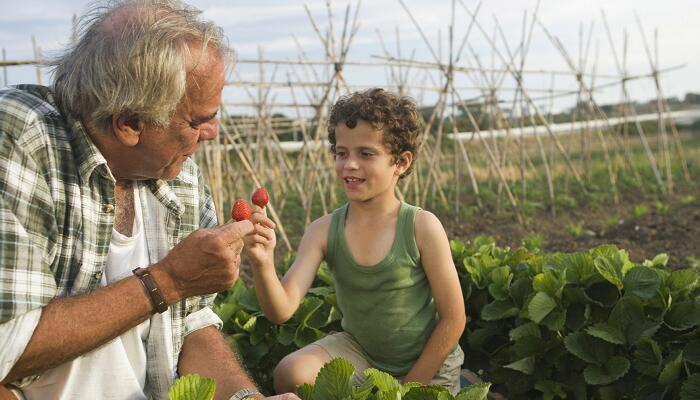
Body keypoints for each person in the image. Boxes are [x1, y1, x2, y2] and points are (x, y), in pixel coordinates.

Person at [0, 1, 299, 399]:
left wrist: (246, 398)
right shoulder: (24, 141)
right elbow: (8, 344)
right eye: (197, 121)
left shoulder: (178, 175)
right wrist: (167, 281)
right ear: (129, 123)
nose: (212, 132)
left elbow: (190, 323)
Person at [244, 88, 467, 395]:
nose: (349, 164)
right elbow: (281, 310)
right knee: (290, 372)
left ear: (401, 162)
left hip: (427, 361)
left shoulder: (421, 227)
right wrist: (262, 262)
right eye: (341, 153)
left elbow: (453, 320)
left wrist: (408, 388)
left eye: (366, 153)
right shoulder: (323, 230)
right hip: (360, 352)